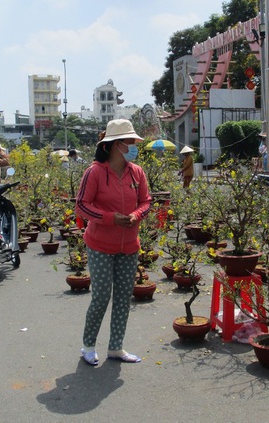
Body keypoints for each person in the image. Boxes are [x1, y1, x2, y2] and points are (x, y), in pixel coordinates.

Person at [74, 119, 152, 365]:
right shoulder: (94, 172)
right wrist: (111, 219)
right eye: (130, 142)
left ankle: (116, 348)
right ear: (117, 145)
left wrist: (135, 215)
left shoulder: (136, 172)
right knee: (101, 297)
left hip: (129, 246)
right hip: (99, 245)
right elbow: (82, 205)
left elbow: (146, 201)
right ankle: (88, 346)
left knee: (122, 298)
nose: (134, 146)